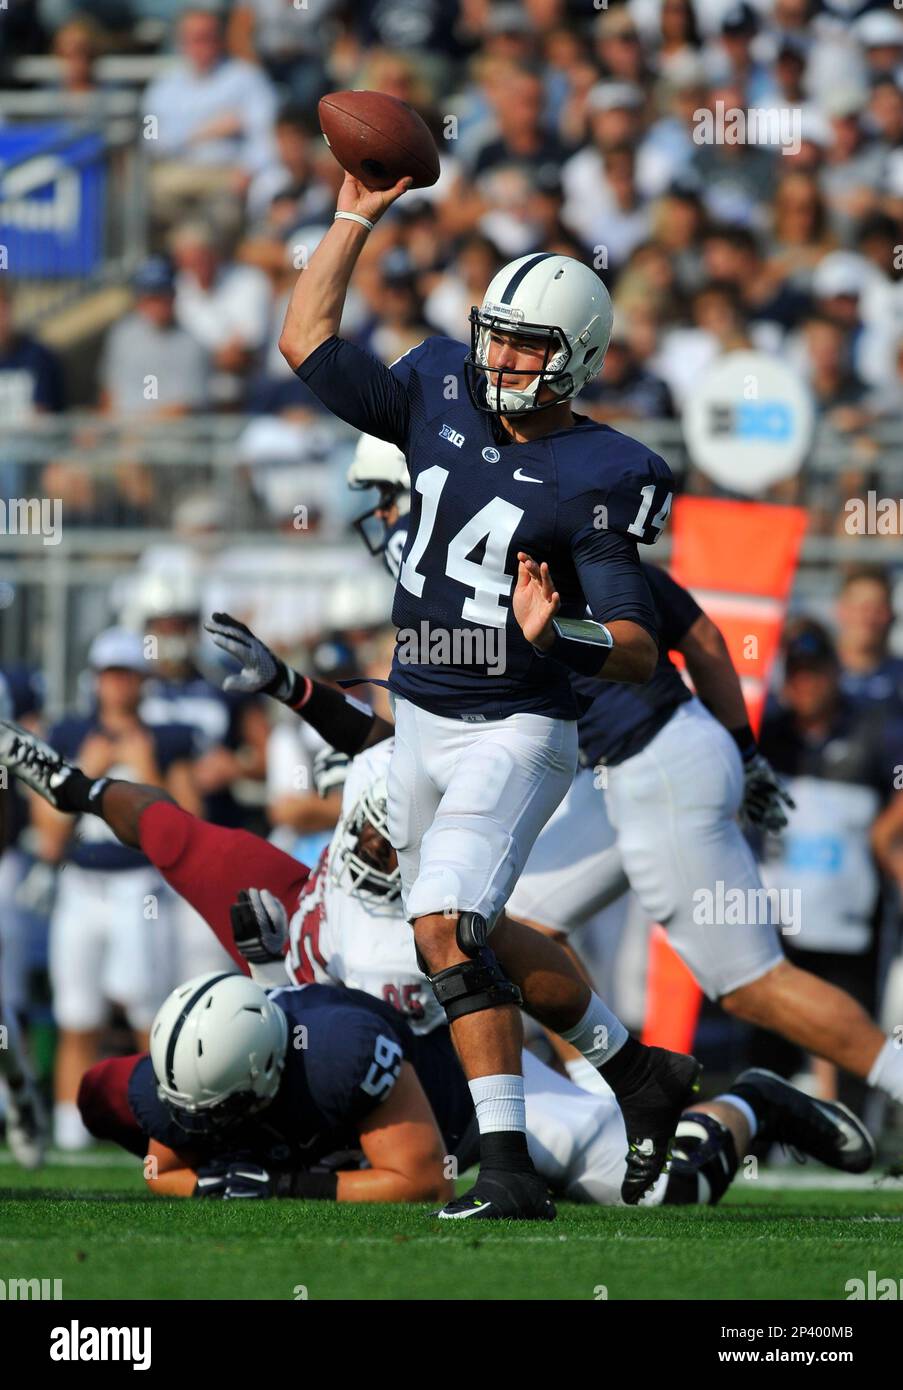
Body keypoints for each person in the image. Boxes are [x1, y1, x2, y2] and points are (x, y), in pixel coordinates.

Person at [275, 165, 697, 1220]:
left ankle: (505, 1169)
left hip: (515, 726)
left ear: (580, 360)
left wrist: (569, 632)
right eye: (495, 334)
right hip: (419, 714)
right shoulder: (434, 385)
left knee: (443, 928)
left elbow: (641, 646)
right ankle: (635, 1069)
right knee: (480, 926)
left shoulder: (602, 469)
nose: (501, 358)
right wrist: (355, 215)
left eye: (528, 346)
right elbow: (306, 344)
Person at [76, 972, 873, 1208]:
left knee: (668, 1193)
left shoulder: (344, 1053)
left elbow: (422, 1178)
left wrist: (280, 1183)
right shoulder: (192, 1068)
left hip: (481, 1110)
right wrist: (211, 1182)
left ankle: (757, 1100)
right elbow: (167, 1168)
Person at [26, 629, 196, 1150]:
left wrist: (145, 770)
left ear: (140, 681)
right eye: (110, 675)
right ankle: (70, 1132)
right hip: (82, 884)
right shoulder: (72, 733)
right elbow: (49, 836)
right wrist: (86, 774)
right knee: (77, 1013)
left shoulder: (164, 739)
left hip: (140, 885)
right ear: (96, 680)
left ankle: (158, 1125)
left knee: (148, 1011)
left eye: (126, 675)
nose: (118, 686)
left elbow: (191, 826)